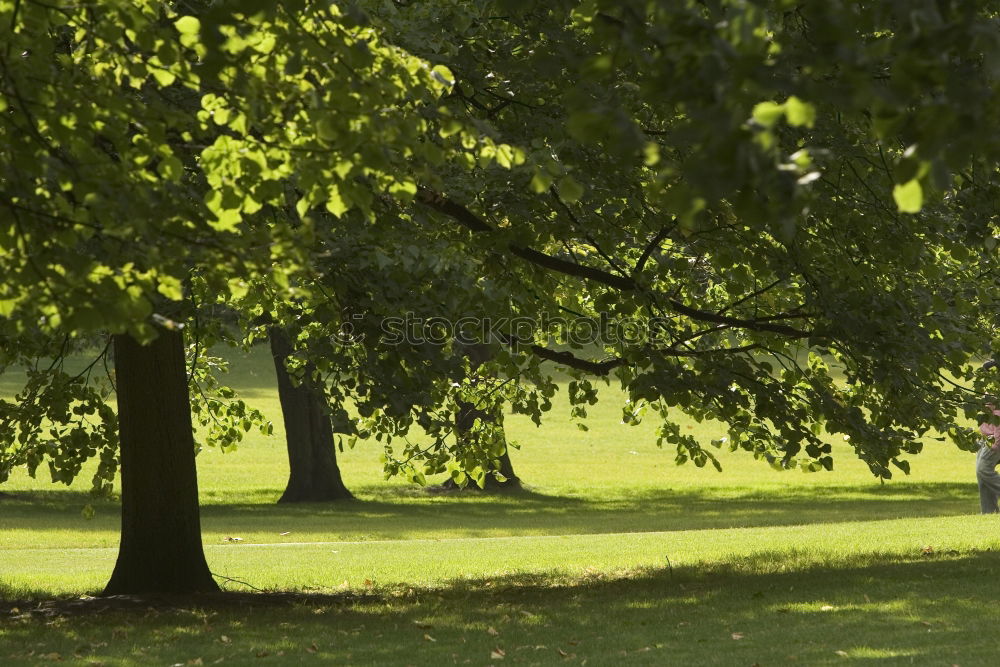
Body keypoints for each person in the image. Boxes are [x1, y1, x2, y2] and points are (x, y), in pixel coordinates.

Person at [977, 400, 1000, 513]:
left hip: (994, 440)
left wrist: (995, 444)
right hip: (985, 439)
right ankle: (989, 511)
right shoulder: (985, 385)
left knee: (983, 469)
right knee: (981, 475)